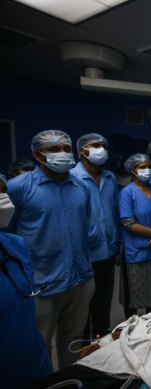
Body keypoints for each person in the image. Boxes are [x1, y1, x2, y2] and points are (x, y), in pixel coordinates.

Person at [7, 129, 97, 370]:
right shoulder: (18, 187)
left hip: (80, 277)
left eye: (66, 148)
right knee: (39, 345)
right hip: (41, 283)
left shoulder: (81, 186)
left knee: (74, 342)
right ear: (38, 154)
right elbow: (7, 234)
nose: (63, 153)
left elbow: (83, 225)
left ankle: (70, 381)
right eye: (54, 149)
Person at [0, 175, 52, 388]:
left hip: (31, 365)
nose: (3, 199)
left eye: (3, 191)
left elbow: (24, 316)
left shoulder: (14, 245)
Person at [70, 133, 119, 340]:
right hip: (85, 251)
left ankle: (101, 337)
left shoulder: (110, 177)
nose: (101, 149)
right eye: (95, 145)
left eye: (103, 145)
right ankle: (82, 343)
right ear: (82, 151)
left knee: (104, 299)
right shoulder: (72, 177)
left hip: (108, 249)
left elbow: (114, 210)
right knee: (83, 304)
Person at [119, 153, 151, 317]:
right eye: (142, 167)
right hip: (137, 250)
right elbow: (128, 224)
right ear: (133, 170)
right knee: (136, 294)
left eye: (148, 166)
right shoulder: (127, 192)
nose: (147, 170)